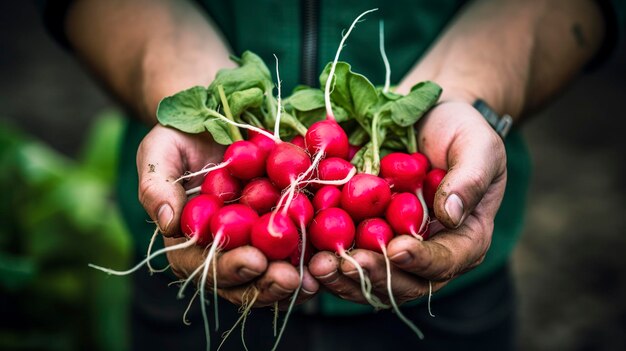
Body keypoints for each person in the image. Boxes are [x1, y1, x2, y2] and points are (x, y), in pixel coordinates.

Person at [40, 0, 622, 349]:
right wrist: (175, 81)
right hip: (192, 302)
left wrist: (471, 100)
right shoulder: (261, 177)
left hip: (448, 307)